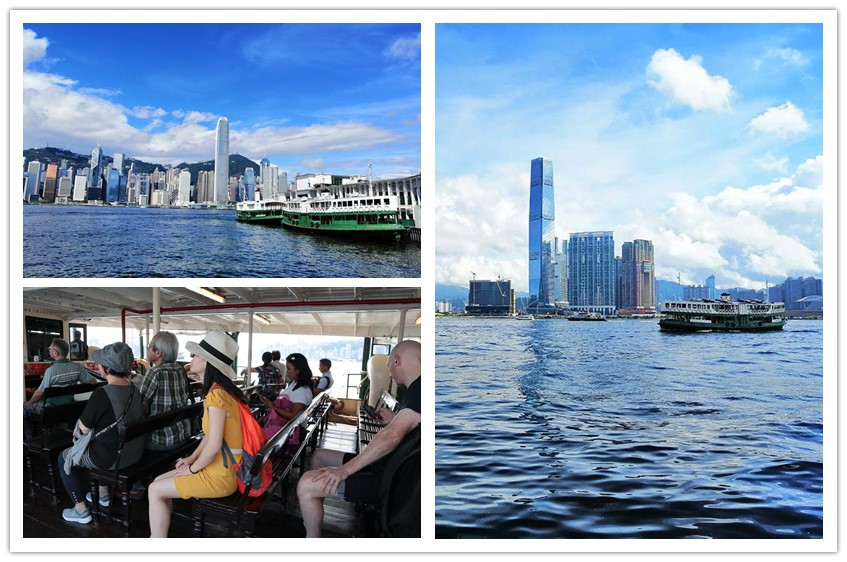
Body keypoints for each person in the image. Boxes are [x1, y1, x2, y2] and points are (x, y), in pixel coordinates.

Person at [296, 340, 421, 537]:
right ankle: (317, 498)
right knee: (319, 456)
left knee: (305, 484)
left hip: (390, 482)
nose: (389, 373)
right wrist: (394, 420)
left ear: (397, 361)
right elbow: (410, 432)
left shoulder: (421, 389)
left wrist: (343, 471)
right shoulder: (417, 390)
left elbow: (393, 436)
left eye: (389, 366)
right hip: (386, 467)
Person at [147, 332, 245, 538]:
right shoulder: (220, 391)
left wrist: (192, 469)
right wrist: (191, 458)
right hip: (225, 468)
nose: (191, 357)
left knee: (155, 490)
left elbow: (214, 446)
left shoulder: (217, 395)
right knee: (156, 481)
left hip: (221, 476)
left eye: (195, 355)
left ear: (208, 361)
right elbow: (210, 437)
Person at [57, 342, 144, 524]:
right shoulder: (134, 390)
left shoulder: (102, 393)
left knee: (64, 458)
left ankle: (81, 510)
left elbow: (84, 428)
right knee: (103, 441)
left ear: (108, 368)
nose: (97, 366)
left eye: (100, 363)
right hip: (134, 453)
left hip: (110, 459)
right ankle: (103, 496)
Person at [131, 331, 192, 499]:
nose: (148, 348)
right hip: (181, 434)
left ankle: (136, 483)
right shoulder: (180, 369)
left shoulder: (154, 372)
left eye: (150, 346)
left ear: (158, 353)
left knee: (127, 440)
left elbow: (140, 407)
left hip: (162, 440)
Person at [24, 338, 96, 439]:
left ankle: (29, 440)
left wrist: (29, 402)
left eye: (50, 348)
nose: (49, 350)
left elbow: (39, 393)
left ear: (55, 353)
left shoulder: (51, 371)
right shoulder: (76, 367)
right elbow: (93, 381)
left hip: (50, 408)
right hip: (68, 406)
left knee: (24, 408)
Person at [259, 352, 314, 442]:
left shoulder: (302, 391)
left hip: (290, 431)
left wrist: (272, 406)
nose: (286, 371)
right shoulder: (294, 383)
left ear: (298, 370)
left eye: (289, 369)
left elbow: (293, 414)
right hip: (285, 427)